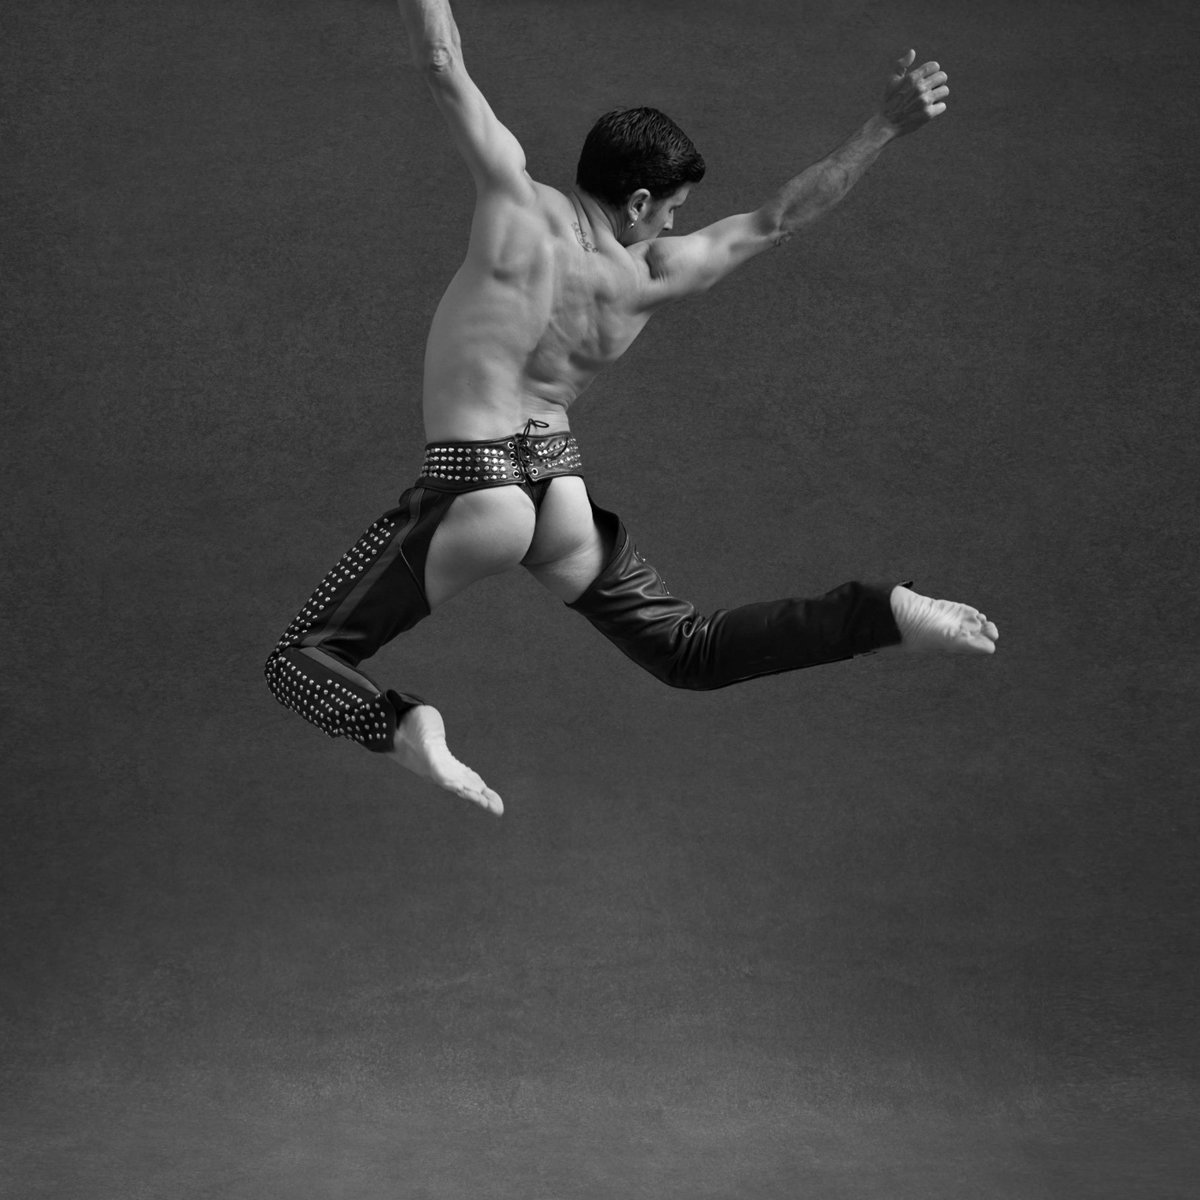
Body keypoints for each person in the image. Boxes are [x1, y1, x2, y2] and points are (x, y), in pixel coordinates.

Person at [264, 0, 998, 817]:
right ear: (640, 200)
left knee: (303, 656)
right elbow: (779, 219)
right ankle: (881, 613)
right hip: (560, 492)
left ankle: (402, 725)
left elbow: (442, 61)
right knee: (690, 650)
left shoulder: (515, 201)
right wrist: (883, 126)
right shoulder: (649, 277)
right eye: (674, 209)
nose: (674, 224)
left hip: (476, 482)